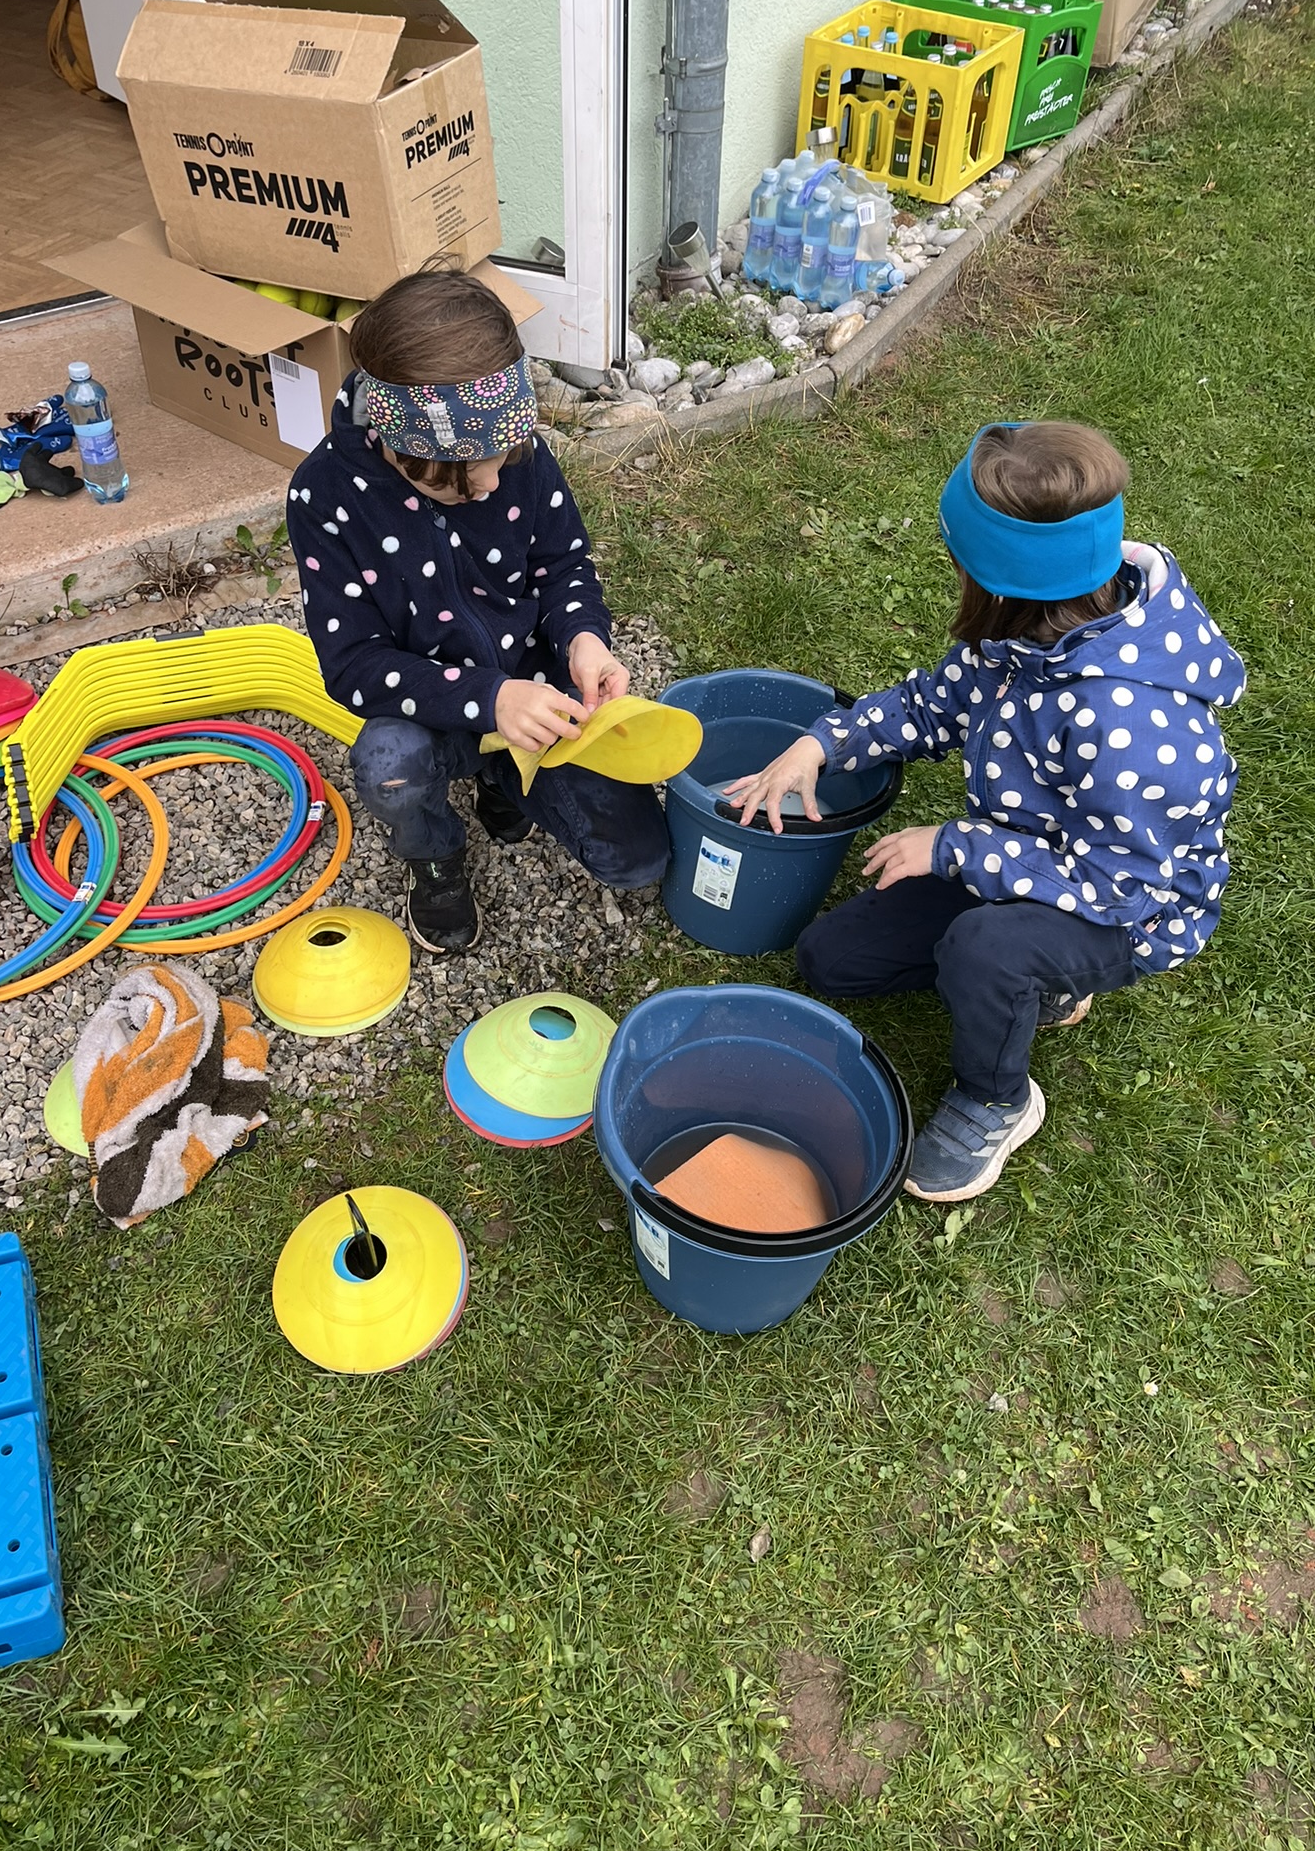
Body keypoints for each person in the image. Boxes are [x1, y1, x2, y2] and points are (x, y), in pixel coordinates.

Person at [726, 421, 1245, 1203]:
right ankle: (1031, 984)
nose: (956, 575)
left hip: (1125, 911)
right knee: (833, 961)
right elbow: (931, 706)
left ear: (1001, 584)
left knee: (986, 951)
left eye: (961, 564)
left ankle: (997, 1099)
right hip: (1023, 857)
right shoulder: (1028, 632)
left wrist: (954, 848)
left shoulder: (1133, 726)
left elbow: (1120, 888)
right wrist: (822, 744)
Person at [286, 267, 669, 953]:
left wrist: (583, 637)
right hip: (430, 712)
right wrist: (490, 700)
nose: (492, 483)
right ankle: (434, 855)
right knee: (388, 766)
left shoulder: (515, 453)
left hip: (543, 694)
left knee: (637, 863)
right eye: (461, 479)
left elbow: (563, 564)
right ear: (400, 448)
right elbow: (353, 665)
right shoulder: (325, 496)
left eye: (504, 459)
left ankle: (504, 783)